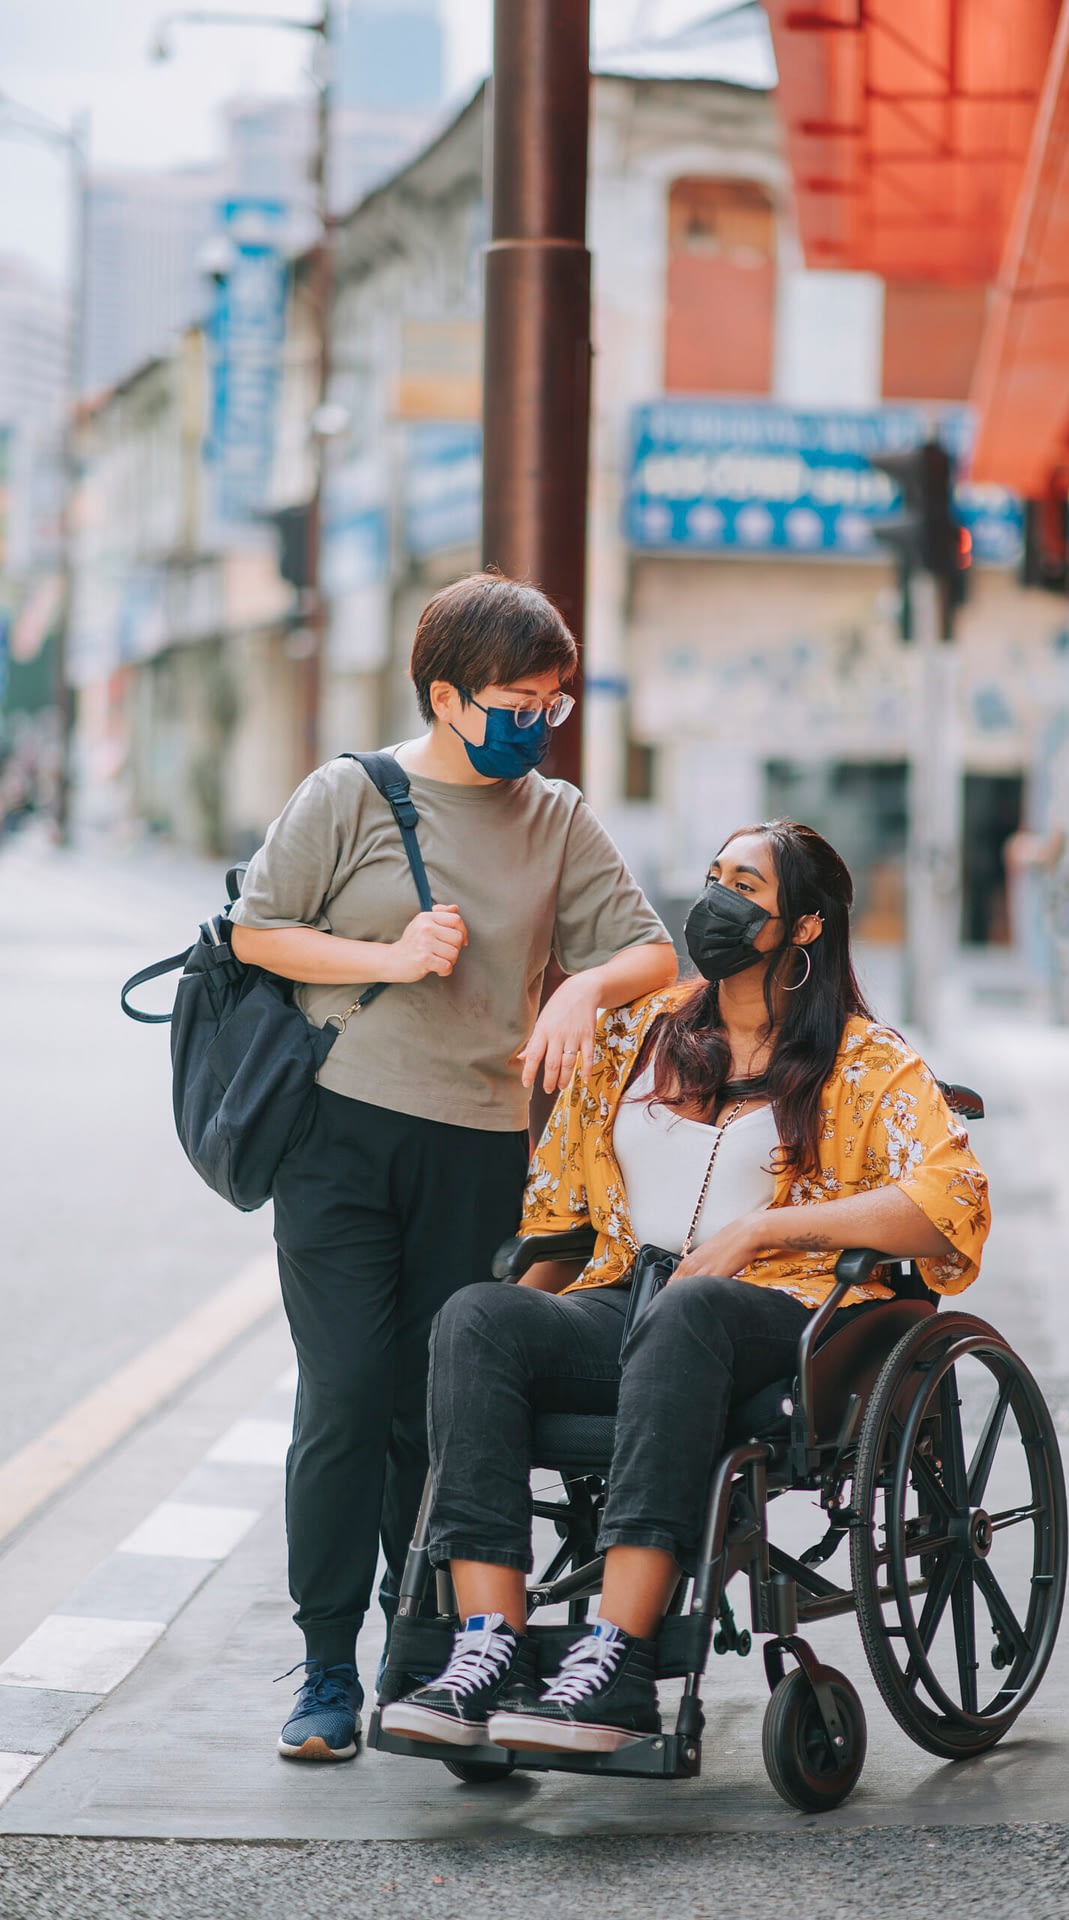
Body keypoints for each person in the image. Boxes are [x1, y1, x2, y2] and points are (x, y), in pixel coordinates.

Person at [381, 820, 990, 1757]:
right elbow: (556, 1214)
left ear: (803, 928)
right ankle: (484, 1650)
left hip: (777, 1318)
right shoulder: (639, 1036)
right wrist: (511, 1337)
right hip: (629, 1294)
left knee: (690, 1310)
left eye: (744, 886)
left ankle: (616, 1662)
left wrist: (761, 1230)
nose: (715, 902)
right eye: (712, 878)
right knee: (477, 1318)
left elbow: (946, 1200)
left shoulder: (865, 1062)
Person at [228, 572, 676, 1762]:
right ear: (446, 694)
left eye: (554, 700)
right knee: (343, 1396)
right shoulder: (349, 793)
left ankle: (422, 1661)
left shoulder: (556, 817)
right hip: (337, 1138)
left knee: (439, 1416)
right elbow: (254, 931)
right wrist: (386, 948)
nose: (540, 718)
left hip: (482, 1148)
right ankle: (325, 1664)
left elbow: (651, 952)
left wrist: (579, 981)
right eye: (518, 698)